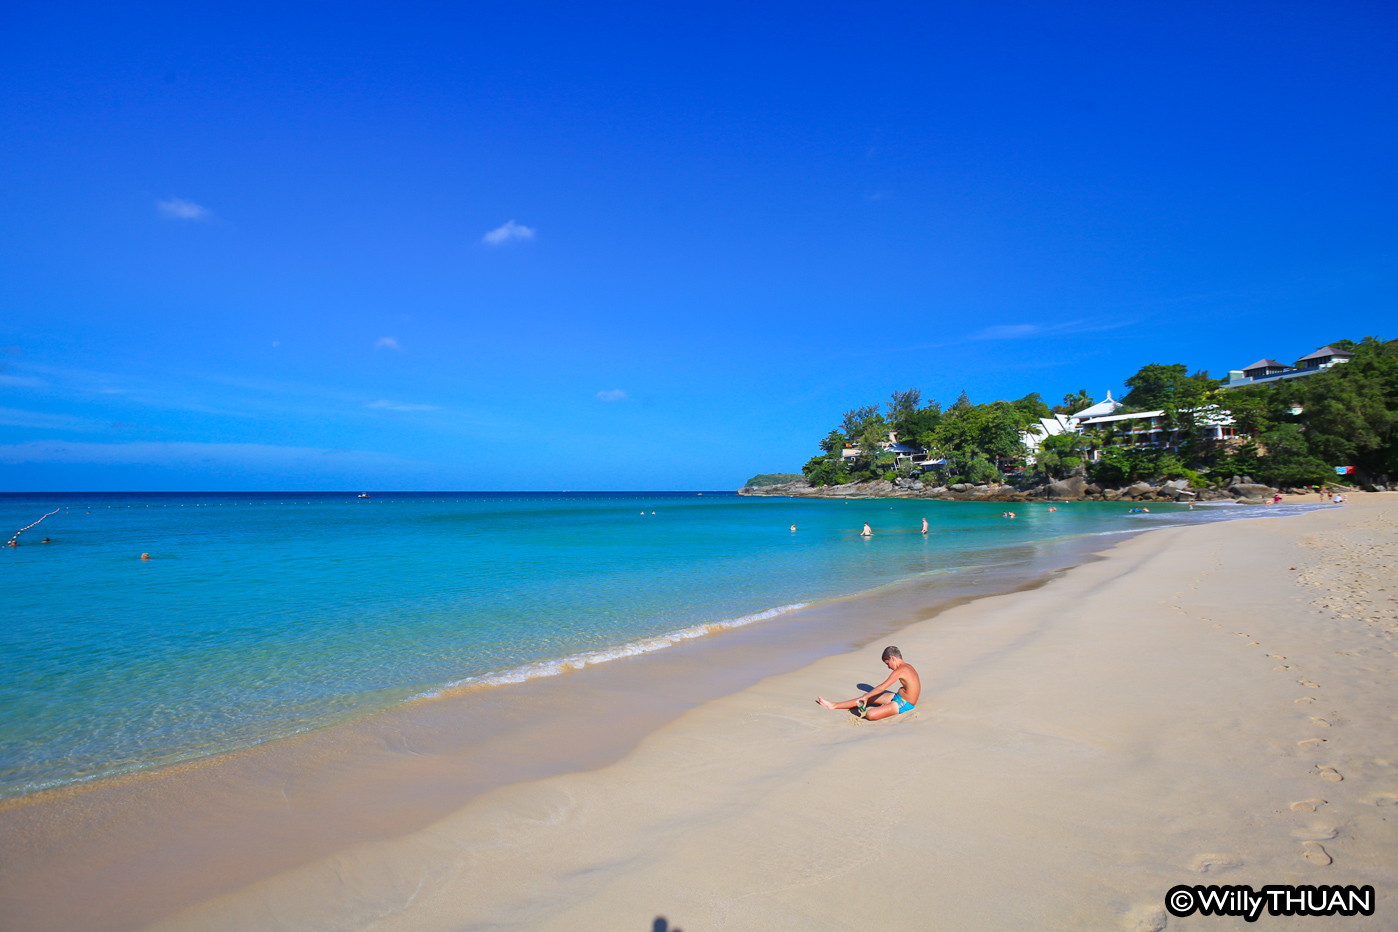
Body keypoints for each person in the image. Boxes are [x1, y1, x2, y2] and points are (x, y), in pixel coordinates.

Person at [817, 646, 921, 720]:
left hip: (904, 704)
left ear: (893, 658)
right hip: (899, 696)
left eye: (888, 664)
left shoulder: (901, 670)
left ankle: (886, 706)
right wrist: (866, 697)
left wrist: (866, 698)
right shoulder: (908, 666)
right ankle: (834, 705)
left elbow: (882, 687)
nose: (888, 667)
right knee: (866, 696)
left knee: (870, 714)